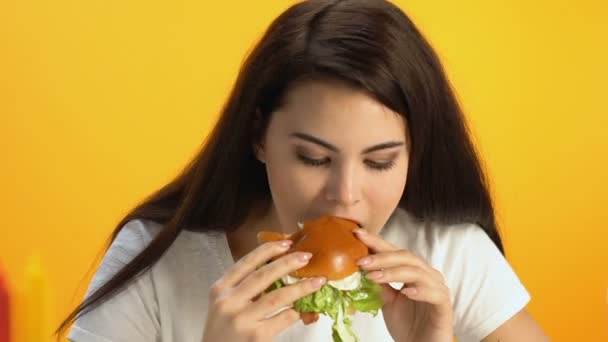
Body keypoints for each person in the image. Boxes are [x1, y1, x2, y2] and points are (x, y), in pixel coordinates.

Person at [56, 0, 550, 341]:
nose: (345, 195)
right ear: (257, 137)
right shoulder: (155, 258)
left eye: (380, 161)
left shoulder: (448, 254)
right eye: (314, 159)